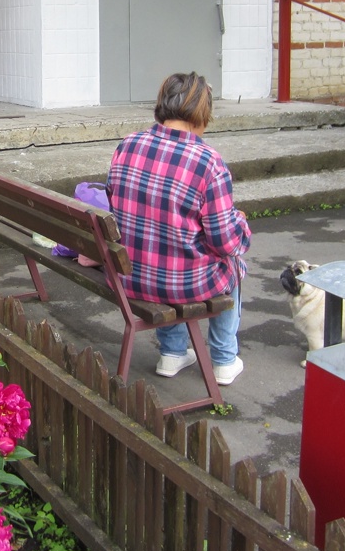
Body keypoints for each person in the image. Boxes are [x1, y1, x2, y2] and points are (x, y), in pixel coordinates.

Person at [106, 72, 251, 385]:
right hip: (181, 285)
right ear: (202, 111)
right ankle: (224, 359)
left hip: (129, 276)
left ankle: (172, 353)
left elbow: (117, 209)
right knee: (233, 264)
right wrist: (241, 223)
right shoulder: (209, 162)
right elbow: (225, 243)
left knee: (162, 244)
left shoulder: (127, 145)